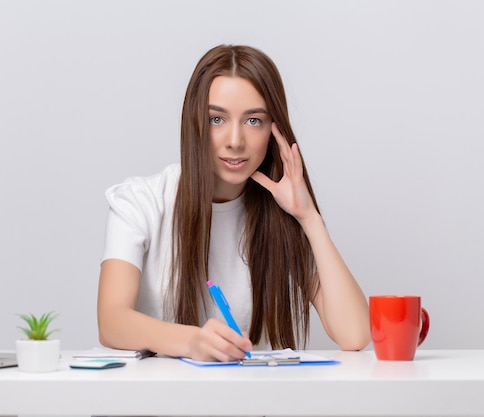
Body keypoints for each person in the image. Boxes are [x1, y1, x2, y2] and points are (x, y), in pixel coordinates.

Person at [97, 44, 370, 362]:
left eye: (253, 121)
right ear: (194, 123)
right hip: (158, 407)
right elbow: (111, 321)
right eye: (217, 119)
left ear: (273, 130)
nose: (235, 140)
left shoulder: (280, 215)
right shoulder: (140, 202)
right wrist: (191, 342)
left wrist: (309, 217)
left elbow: (355, 334)